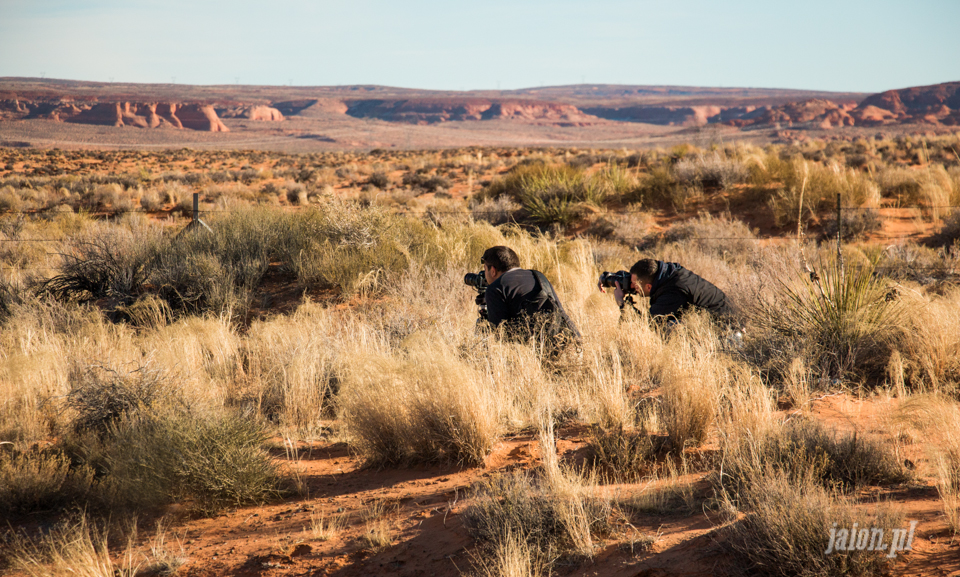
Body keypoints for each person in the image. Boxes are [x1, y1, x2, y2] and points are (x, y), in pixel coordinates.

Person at [481, 246, 581, 351]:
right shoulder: (538, 276)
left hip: (540, 351)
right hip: (571, 342)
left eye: (485, 269)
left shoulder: (495, 288)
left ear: (492, 271)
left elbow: (500, 336)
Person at [599, 258, 733, 326]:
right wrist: (608, 279)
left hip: (724, 332)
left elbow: (647, 326)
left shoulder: (672, 293)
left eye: (635, 285)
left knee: (668, 329)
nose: (632, 287)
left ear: (649, 287)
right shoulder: (667, 272)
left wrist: (622, 304)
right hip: (726, 317)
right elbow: (638, 275)